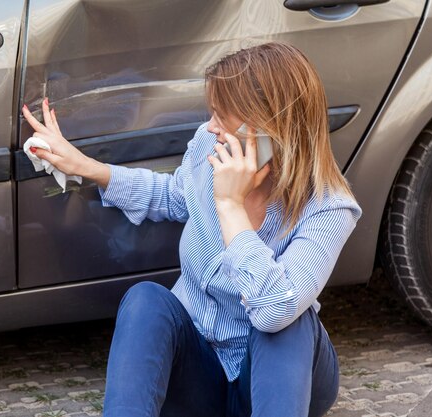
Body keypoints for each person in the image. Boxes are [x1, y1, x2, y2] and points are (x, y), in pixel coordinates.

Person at [22, 41, 362, 417]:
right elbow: (175, 195)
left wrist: (231, 206)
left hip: (276, 384)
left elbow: (274, 311)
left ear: (268, 126)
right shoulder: (208, 145)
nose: (210, 126)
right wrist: (86, 165)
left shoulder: (329, 208)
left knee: (287, 320)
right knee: (146, 300)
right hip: (202, 376)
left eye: (222, 115)